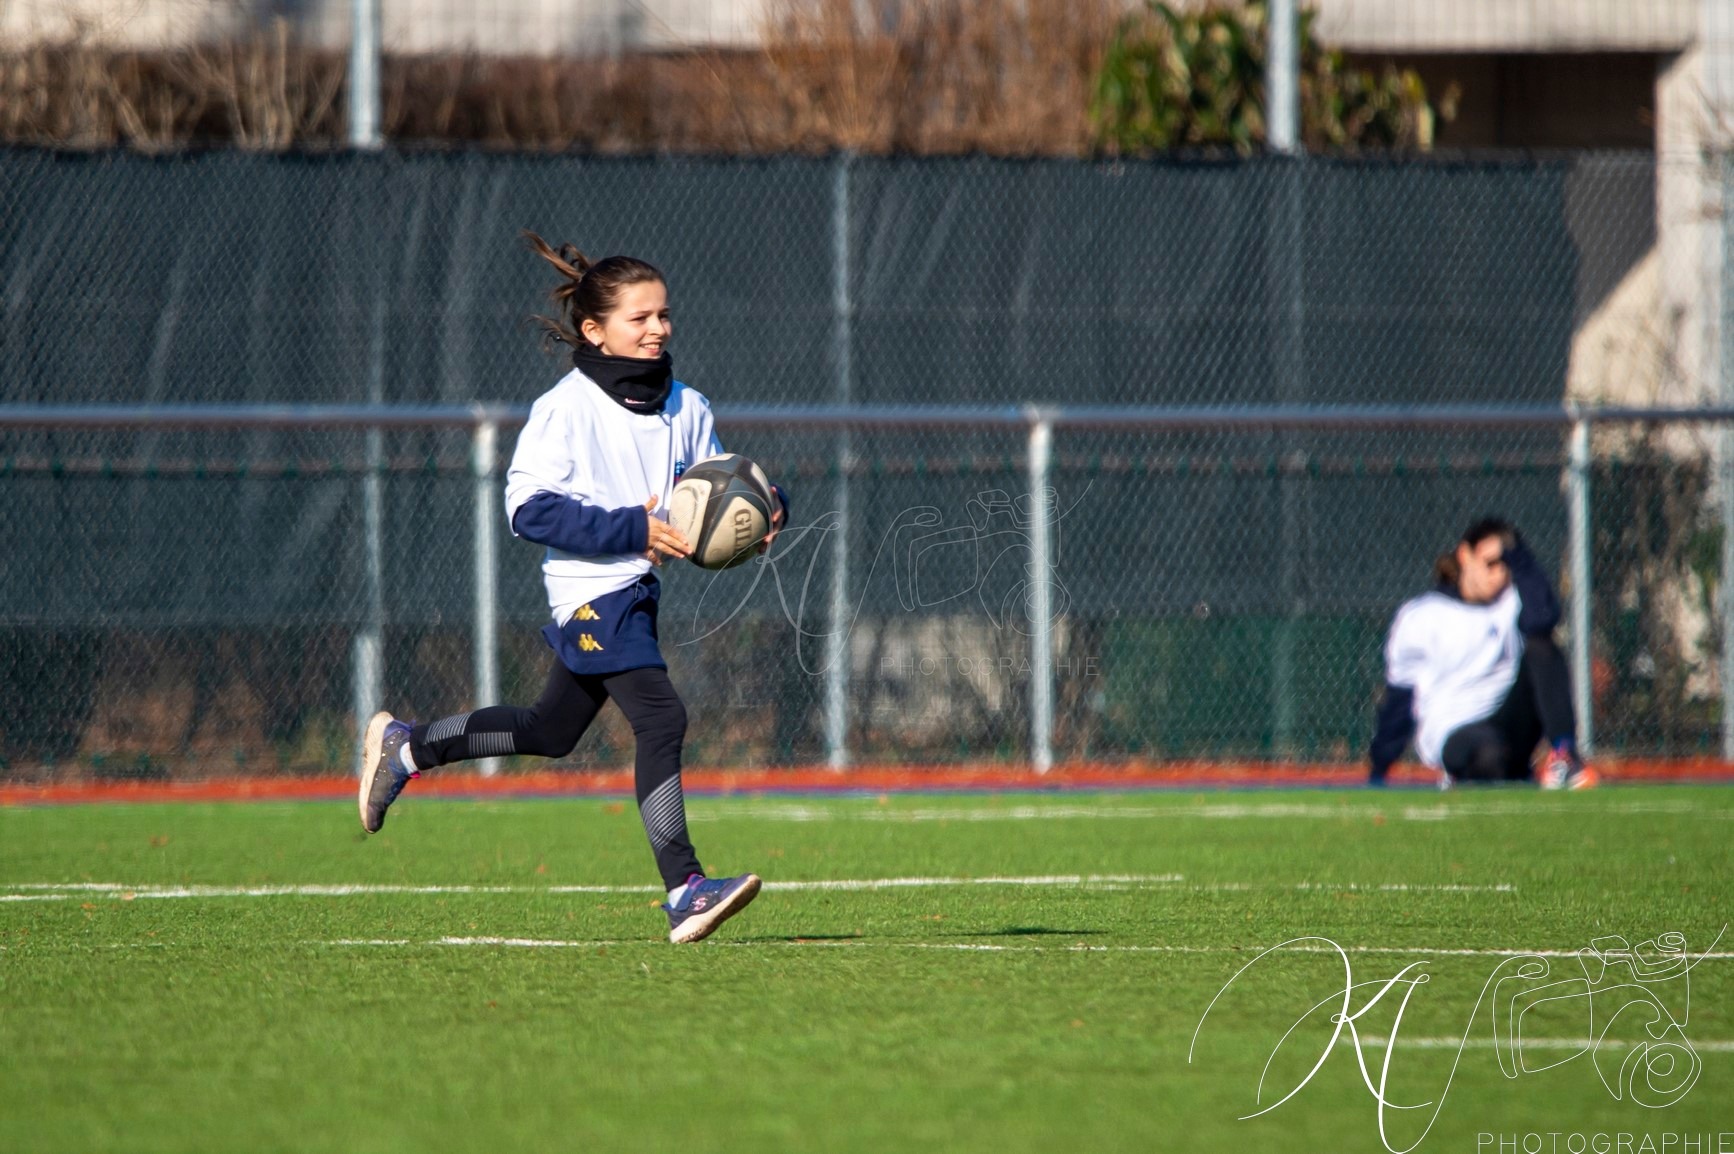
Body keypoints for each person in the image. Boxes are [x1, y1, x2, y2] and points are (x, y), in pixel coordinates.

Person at [357, 233, 787, 944]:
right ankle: (685, 886)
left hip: (637, 591)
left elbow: (723, 486)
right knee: (661, 719)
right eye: (639, 319)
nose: (658, 329)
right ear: (594, 330)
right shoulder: (567, 409)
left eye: (664, 316)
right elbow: (527, 510)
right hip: (593, 590)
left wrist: (769, 511)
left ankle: (407, 748)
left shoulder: (686, 405)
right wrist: (632, 529)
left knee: (550, 731)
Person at [1368, 517, 1596, 790]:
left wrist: (1520, 558)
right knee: (1490, 756)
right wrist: (1379, 769)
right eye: (1491, 563)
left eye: (1506, 565)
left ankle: (1565, 756)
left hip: (1508, 720)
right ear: (1465, 555)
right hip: (1454, 730)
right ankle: (1467, 775)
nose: (1499, 575)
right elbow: (1400, 699)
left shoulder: (1510, 603)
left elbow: (1543, 622)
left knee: (1542, 649)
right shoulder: (1421, 616)